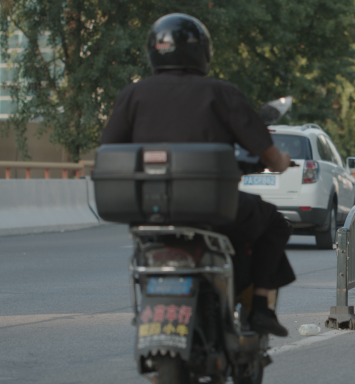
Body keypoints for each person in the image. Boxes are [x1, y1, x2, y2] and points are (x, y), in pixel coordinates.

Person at [100, 13, 295, 336]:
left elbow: (108, 152)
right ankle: (260, 307)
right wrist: (282, 162)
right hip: (213, 211)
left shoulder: (131, 95)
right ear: (203, 52)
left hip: (150, 210)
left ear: (153, 51)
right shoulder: (222, 93)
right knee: (273, 222)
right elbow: (270, 157)